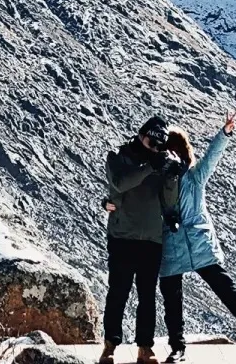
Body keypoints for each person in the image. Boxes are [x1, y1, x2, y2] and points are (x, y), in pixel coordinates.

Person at [159, 111, 236, 358]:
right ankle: (179, 346)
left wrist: (224, 133)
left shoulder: (190, 177)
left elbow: (212, 157)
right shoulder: (169, 179)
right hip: (185, 244)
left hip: (186, 244)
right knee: (203, 293)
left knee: (209, 292)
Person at [101, 115, 185, 364]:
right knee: (118, 292)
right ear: (141, 135)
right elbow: (120, 183)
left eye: (159, 145)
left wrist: (171, 177)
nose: (154, 148)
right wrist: (150, 166)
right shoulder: (118, 156)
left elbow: (169, 202)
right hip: (122, 236)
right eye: (151, 142)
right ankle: (110, 346)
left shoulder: (160, 161)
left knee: (147, 296)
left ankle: (145, 348)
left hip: (151, 238)